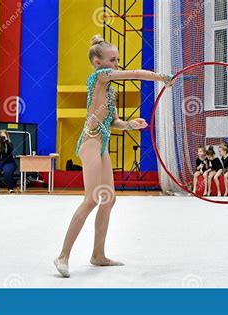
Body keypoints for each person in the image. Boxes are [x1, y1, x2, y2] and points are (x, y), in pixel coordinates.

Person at [54, 34, 175, 278]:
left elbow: (113, 121)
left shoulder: (109, 93)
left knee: (108, 199)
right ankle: (62, 256)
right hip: (89, 142)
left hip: (102, 144)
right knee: (90, 200)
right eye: (113, 60)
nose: (117, 64)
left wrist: (131, 124)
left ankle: (98, 255)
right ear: (98, 63)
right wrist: (161, 77)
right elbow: (134, 74)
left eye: (118, 59)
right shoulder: (99, 77)